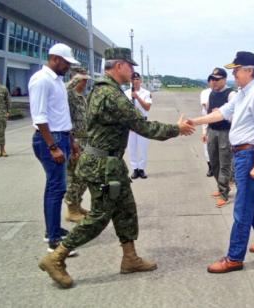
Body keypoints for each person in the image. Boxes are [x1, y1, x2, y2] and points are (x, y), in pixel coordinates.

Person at [38, 47, 194, 288]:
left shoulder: (104, 89)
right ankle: (56, 257)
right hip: (102, 166)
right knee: (100, 216)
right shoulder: (110, 94)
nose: (132, 71)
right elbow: (142, 127)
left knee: (126, 210)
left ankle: (130, 258)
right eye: (130, 66)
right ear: (119, 65)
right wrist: (177, 129)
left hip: (110, 163)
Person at [188, 51, 254, 274]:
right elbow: (221, 113)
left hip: (249, 156)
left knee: (242, 208)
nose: (233, 74)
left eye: (236, 70)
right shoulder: (243, 92)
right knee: (252, 202)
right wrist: (194, 121)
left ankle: (234, 257)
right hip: (242, 155)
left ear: (249, 71)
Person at [29, 43, 80, 254]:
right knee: (56, 188)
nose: (68, 67)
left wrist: (70, 140)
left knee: (57, 187)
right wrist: (53, 146)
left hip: (61, 136)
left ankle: (53, 229)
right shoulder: (42, 81)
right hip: (49, 139)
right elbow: (40, 117)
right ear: (55, 59)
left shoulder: (56, 80)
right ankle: (54, 240)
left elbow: (60, 115)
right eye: (66, 62)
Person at [63, 67, 91, 223]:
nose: (85, 82)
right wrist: (74, 80)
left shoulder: (82, 97)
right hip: (73, 141)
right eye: (83, 79)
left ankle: (77, 205)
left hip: (85, 142)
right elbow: (63, 89)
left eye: (86, 80)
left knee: (84, 177)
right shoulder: (68, 95)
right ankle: (71, 209)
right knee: (74, 177)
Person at [204, 67, 236, 207]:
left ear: (224, 79)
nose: (213, 82)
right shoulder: (211, 93)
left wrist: (224, 114)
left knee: (224, 163)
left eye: (217, 80)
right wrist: (205, 130)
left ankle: (224, 193)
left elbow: (236, 116)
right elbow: (208, 113)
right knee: (214, 161)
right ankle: (221, 186)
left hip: (225, 132)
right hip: (212, 130)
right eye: (211, 79)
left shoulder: (231, 94)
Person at [126, 72, 153, 179]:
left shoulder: (146, 93)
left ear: (141, 81)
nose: (135, 81)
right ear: (131, 81)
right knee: (131, 148)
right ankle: (135, 169)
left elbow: (147, 107)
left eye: (137, 79)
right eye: (133, 79)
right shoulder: (126, 93)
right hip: (131, 124)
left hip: (142, 123)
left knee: (142, 147)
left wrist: (137, 97)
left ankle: (141, 169)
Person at [200, 76, 214, 177]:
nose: (214, 82)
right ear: (209, 82)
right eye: (212, 81)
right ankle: (210, 167)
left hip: (222, 124)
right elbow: (207, 106)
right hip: (207, 123)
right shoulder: (205, 92)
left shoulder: (227, 92)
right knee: (207, 146)